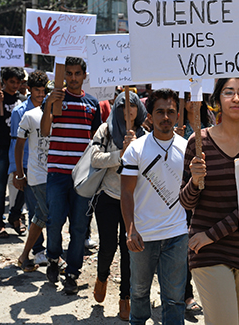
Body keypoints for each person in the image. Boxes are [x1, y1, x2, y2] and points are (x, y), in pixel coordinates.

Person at [180, 78, 239, 325]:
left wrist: (213, 233)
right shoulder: (198, 142)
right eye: (228, 92)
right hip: (208, 252)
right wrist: (195, 180)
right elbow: (186, 202)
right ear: (216, 99)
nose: (236, 98)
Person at [120, 88, 188, 324]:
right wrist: (131, 230)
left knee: (174, 300)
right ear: (149, 116)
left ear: (178, 116)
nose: (165, 117)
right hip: (143, 236)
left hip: (177, 236)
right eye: (160, 111)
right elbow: (126, 193)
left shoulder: (188, 148)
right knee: (139, 295)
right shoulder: (135, 150)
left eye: (170, 111)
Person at [41, 57, 102, 294]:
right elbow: (46, 131)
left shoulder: (92, 103)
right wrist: (48, 106)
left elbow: (97, 139)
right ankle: (54, 258)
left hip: (83, 177)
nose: (73, 78)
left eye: (78, 73)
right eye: (69, 73)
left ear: (85, 75)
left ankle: (72, 273)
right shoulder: (55, 99)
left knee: (79, 227)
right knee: (54, 221)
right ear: (63, 75)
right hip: (57, 173)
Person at [92, 91, 147, 321]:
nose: (128, 111)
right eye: (123, 107)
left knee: (128, 250)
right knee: (107, 247)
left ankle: (125, 298)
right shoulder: (105, 130)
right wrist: (120, 154)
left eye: (132, 106)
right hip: (107, 196)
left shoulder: (146, 134)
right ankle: (102, 276)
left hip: (133, 200)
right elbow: (94, 158)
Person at [175, 92, 214, 313]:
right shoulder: (175, 120)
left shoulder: (211, 123)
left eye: (196, 96)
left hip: (207, 194)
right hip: (184, 192)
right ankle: (186, 293)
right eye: (188, 96)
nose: (192, 101)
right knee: (185, 243)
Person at [14, 71, 50, 272]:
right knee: (47, 215)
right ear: (30, 90)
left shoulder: (56, 114)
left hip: (56, 174)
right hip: (37, 174)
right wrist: (19, 173)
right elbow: (18, 145)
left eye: (44, 90)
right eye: (37, 90)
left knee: (43, 215)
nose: (41, 94)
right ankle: (50, 256)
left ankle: (25, 255)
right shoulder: (28, 115)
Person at [0, 67, 27, 238]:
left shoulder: (23, 100)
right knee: (1, 187)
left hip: (19, 149)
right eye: (12, 82)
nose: (15, 85)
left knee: (22, 184)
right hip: (1, 149)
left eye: (18, 82)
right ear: (4, 81)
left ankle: (16, 217)